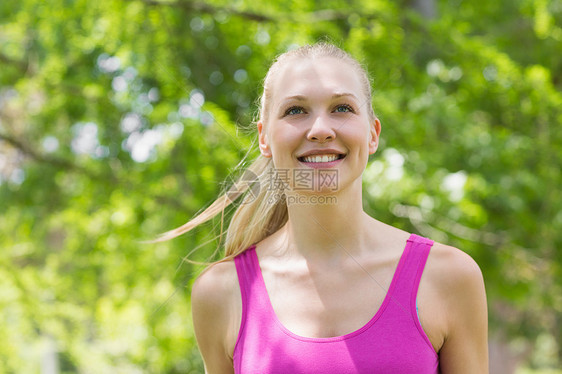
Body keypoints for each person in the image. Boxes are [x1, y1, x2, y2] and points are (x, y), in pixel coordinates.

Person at [167, 43, 488, 373]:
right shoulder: (221, 293)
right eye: (295, 111)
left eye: (342, 108)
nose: (320, 129)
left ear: (372, 134)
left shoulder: (449, 277)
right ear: (264, 138)